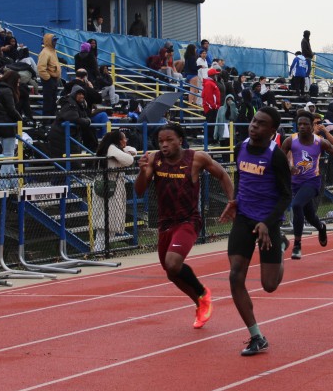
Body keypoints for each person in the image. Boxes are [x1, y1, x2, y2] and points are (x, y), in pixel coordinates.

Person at [134, 123, 234, 328]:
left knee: (173, 263)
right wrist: (142, 172)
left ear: (180, 140)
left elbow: (223, 175)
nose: (164, 144)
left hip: (189, 220)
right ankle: (200, 301)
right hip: (165, 223)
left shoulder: (196, 158)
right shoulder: (154, 159)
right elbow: (139, 191)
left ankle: (202, 292)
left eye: (169, 140)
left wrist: (232, 201)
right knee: (171, 272)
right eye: (161, 141)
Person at [219, 107, 291, 355]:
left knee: (269, 285)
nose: (253, 126)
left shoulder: (276, 156)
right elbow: (241, 177)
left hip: (268, 223)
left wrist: (268, 223)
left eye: (260, 124)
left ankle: (280, 247)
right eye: (253, 121)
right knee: (235, 276)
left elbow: (286, 196)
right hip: (243, 218)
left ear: (272, 130)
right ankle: (256, 336)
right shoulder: (240, 147)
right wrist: (235, 200)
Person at [282, 110, 333, 260]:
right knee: (309, 215)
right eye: (299, 124)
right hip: (295, 183)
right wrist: (288, 166)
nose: (302, 127)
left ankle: (297, 244)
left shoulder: (320, 142)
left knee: (296, 205)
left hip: (312, 182)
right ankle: (321, 227)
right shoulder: (290, 141)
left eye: (305, 124)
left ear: (312, 126)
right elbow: (281, 159)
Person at [94, 129, 137, 249]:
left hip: (112, 186)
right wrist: (127, 152)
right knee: (105, 222)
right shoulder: (112, 148)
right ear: (118, 140)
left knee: (110, 221)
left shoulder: (114, 148)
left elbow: (133, 150)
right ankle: (99, 250)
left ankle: (103, 250)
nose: (126, 140)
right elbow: (129, 160)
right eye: (124, 138)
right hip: (109, 187)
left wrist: (126, 150)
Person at [0, 69, 24, 189]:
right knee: (9, 156)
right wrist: (20, 119)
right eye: (17, 82)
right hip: (7, 125)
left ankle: (15, 183)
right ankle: (2, 185)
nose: (18, 85)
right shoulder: (8, 90)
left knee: (8, 155)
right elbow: (11, 109)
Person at [37, 33, 61, 116]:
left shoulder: (53, 51)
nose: (55, 42)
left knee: (53, 102)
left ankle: (52, 120)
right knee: (48, 102)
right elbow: (41, 68)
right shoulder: (45, 52)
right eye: (54, 40)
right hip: (49, 80)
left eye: (56, 40)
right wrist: (48, 79)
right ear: (48, 41)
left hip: (53, 80)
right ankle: (47, 120)